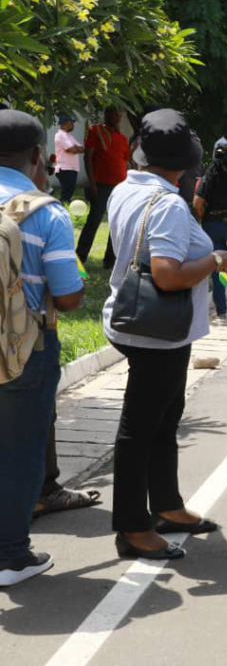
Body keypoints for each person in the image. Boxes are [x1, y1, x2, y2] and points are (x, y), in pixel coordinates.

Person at [103, 108, 227, 560]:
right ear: (185, 162)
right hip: (156, 332)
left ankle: (166, 505)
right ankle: (132, 528)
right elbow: (167, 275)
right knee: (140, 428)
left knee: (162, 421)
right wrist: (216, 261)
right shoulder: (169, 204)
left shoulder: (126, 187)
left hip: (150, 326)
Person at [0, 110, 85, 586]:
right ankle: (11, 556)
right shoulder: (45, 212)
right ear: (38, 156)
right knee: (19, 450)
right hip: (23, 349)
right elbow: (71, 297)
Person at [195, 142, 227, 320]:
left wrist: (204, 218)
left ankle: (222, 312)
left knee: (217, 267)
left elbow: (197, 203)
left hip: (212, 225)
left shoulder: (208, 177)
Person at [80, 106, 129, 269]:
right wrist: (92, 183)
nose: (115, 116)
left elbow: (126, 162)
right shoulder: (96, 131)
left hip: (120, 187)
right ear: (105, 115)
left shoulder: (122, 138)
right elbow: (88, 157)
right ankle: (79, 259)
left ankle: (110, 260)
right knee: (93, 221)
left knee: (116, 224)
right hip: (100, 185)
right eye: (112, 113)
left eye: (118, 114)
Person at [53, 115, 84, 205]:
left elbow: (82, 148)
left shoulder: (69, 136)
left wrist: (76, 148)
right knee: (66, 192)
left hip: (71, 168)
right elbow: (71, 149)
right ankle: (62, 206)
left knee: (70, 191)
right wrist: (76, 148)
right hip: (65, 168)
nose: (73, 125)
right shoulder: (60, 135)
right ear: (66, 123)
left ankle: (64, 205)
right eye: (72, 123)